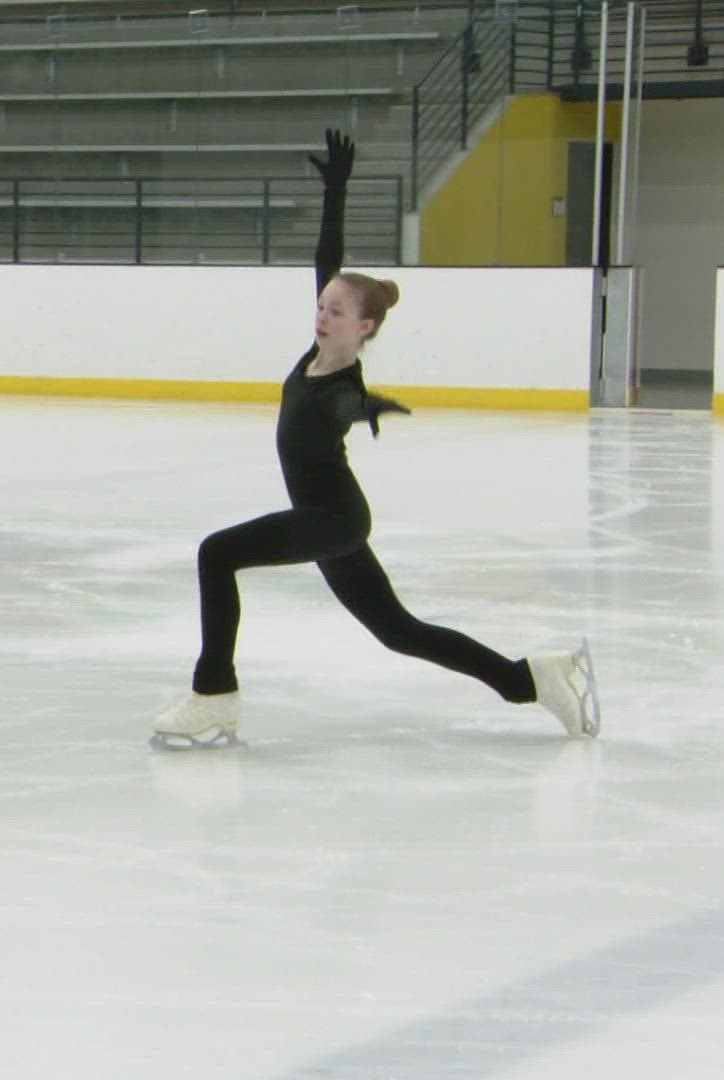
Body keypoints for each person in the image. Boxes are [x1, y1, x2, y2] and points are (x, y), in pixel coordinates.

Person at [151, 129, 600, 750]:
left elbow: (344, 406)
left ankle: (214, 694)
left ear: (363, 327)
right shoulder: (316, 354)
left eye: (336, 311)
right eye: (323, 305)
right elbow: (327, 258)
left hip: (331, 519)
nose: (323, 313)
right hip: (335, 521)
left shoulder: (341, 382)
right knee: (399, 631)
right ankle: (531, 680)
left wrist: (369, 406)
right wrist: (336, 189)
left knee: (216, 553)